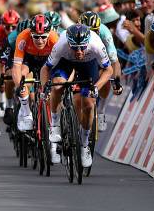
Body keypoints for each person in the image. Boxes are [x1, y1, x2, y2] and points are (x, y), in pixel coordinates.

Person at [42, 24, 113, 168]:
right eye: (75, 47)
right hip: (65, 63)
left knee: (88, 104)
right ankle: (55, 124)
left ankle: (84, 145)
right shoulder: (61, 44)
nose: (79, 51)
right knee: (57, 85)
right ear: (69, 43)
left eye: (82, 47)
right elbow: (46, 68)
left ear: (88, 43)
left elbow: (109, 70)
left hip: (88, 65)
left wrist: (96, 87)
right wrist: (45, 87)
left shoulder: (96, 44)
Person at [13, 15, 59, 132]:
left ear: (49, 33)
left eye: (43, 37)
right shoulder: (23, 37)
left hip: (47, 61)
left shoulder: (55, 39)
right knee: (23, 77)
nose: (39, 40)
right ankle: (26, 112)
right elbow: (17, 65)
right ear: (30, 33)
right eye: (36, 37)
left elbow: (61, 65)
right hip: (30, 60)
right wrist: (19, 85)